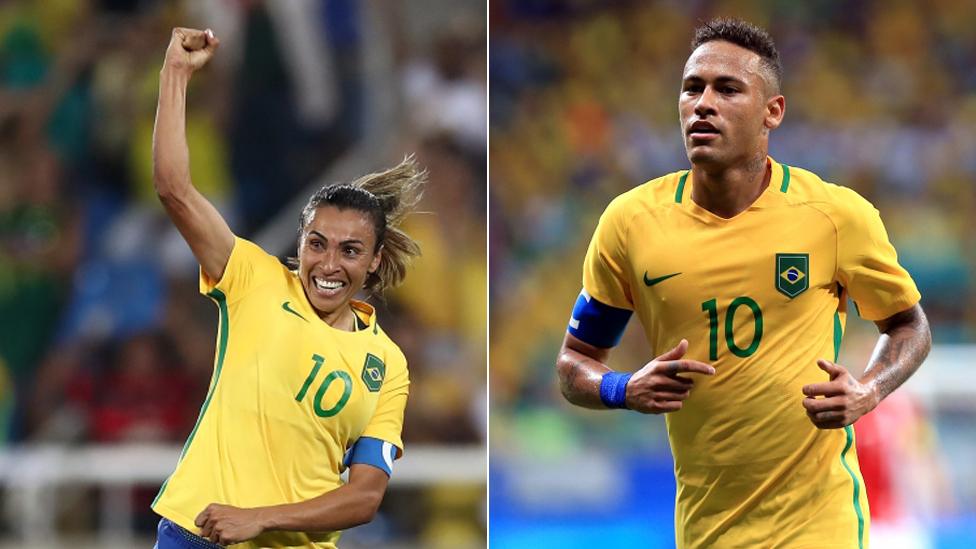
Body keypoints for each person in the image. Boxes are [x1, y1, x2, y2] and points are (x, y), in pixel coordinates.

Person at [555, 18, 931, 549]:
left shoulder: (834, 216)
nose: (703, 104)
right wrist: (622, 387)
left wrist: (868, 390)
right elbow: (574, 363)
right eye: (692, 88)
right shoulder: (631, 223)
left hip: (821, 525)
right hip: (707, 529)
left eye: (727, 89)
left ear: (771, 112)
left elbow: (909, 325)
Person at [150, 27, 424, 548]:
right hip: (197, 534)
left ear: (373, 262)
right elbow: (173, 189)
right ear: (300, 243)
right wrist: (176, 75)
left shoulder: (386, 364)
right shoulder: (253, 278)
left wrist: (261, 517)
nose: (329, 263)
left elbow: (365, 497)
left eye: (350, 251)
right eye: (318, 243)